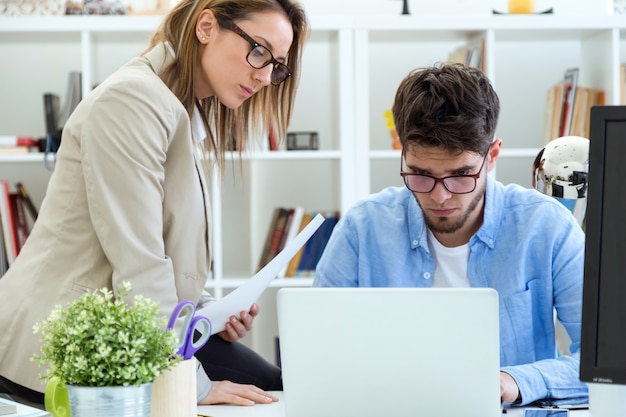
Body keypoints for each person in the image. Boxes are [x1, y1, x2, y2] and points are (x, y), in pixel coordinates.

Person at [0, 0, 308, 407]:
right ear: (206, 27)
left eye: (277, 66)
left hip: (127, 331)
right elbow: (139, 260)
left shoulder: (176, 109)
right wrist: (195, 386)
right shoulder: (132, 102)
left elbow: (166, 250)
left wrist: (212, 316)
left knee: (274, 386)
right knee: (273, 390)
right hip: (54, 346)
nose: (266, 75)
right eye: (259, 51)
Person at [313, 63, 588, 406]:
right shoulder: (362, 228)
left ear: (492, 156)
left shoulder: (548, 228)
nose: (440, 196)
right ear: (402, 152)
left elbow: (607, 365)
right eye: (421, 174)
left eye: (460, 176)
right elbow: (317, 351)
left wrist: (517, 381)